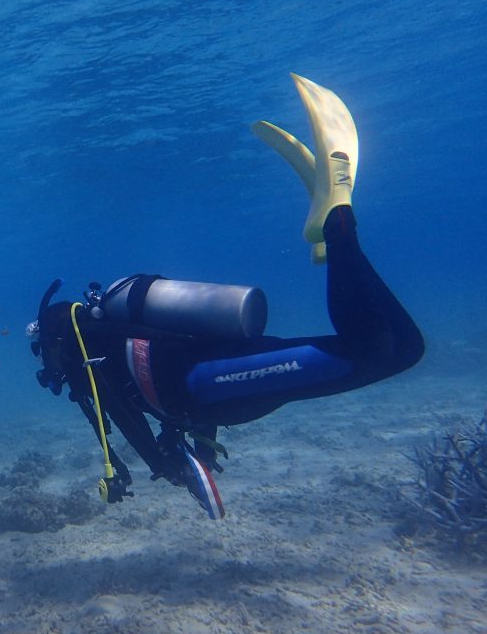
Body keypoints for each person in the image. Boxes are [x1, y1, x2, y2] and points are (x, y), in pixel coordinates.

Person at [27, 74, 424, 519]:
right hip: (218, 376)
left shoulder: (88, 362)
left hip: (212, 382)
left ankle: (337, 222)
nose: (50, 373)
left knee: (368, 353)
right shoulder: (108, 335)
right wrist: (196, 444)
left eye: (44, 359)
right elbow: (163, 371)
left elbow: (123, 417)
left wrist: (165, 466)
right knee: (405, 348)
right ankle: (333, 237)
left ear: (53, 343)